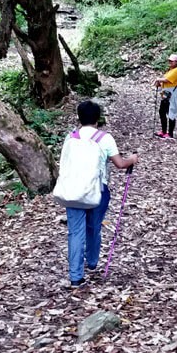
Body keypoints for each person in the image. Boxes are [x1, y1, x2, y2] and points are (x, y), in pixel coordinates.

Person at [63, 100, 138, 289]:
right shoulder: (105, 138)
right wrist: (133, 159)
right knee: (94, 227)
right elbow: (120, 164)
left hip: (72, 189)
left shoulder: (70, 138)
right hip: (97, 189)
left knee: (75, 232)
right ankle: (92, 261)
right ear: (97, 118)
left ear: (79, 117)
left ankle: (75, 277)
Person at [153, 53, 177, 139]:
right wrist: (159, 83)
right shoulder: (170, 70)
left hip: (172, 93)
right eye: (169, 61)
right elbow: (166, 81)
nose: (170, 62)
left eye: (172, 61)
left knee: (171, 112)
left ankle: (170, 134)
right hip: (166, 92)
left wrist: (158, 79)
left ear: (176, 62)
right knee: (162, 111)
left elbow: (167, 79)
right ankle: (164, 131)